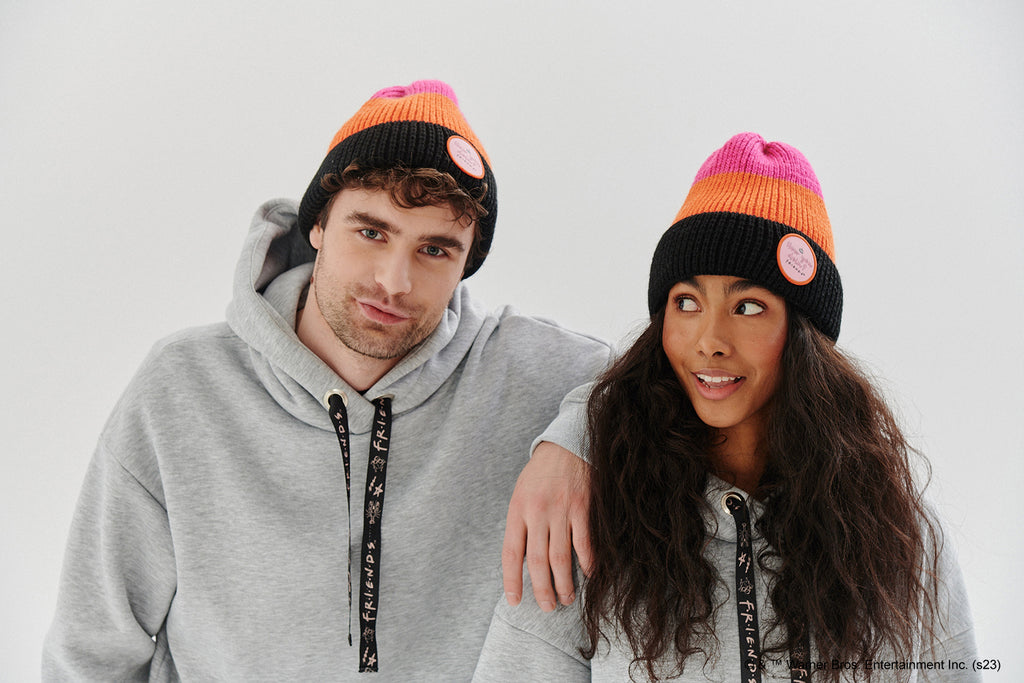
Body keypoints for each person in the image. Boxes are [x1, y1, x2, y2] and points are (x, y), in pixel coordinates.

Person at [43, 80, 613, 680]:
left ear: (465, 264)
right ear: (317, 225)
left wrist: (576, 438)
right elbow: (91, 655)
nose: (394, 282)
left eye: (435, 250)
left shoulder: (536, 378)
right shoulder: (182, 389)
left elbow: (665, 373)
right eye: (372, 232)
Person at [474, 133, 979, 681]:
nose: (709, 340)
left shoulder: (897, 535)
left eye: (749, 307)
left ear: (804, 333)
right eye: (686, 302)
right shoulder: (590, 524)